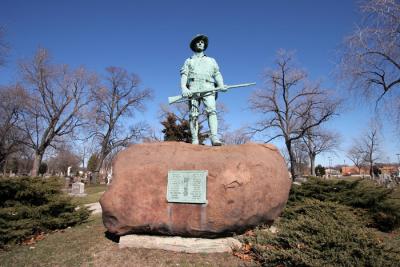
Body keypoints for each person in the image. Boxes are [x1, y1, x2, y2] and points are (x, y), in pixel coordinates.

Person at [180, 34, 226, 146]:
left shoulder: (211, 60)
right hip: (194, 88)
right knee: (193, 114)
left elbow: (217, 73)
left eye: (202, 42)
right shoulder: (188, 60)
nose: (201, 43)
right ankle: (195, 139)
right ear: (194, 45)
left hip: (209, 87)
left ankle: (214, 138)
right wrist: (184, 88)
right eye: (198, 41)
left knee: (212, 111)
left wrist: (221, 84)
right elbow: (184, 75)